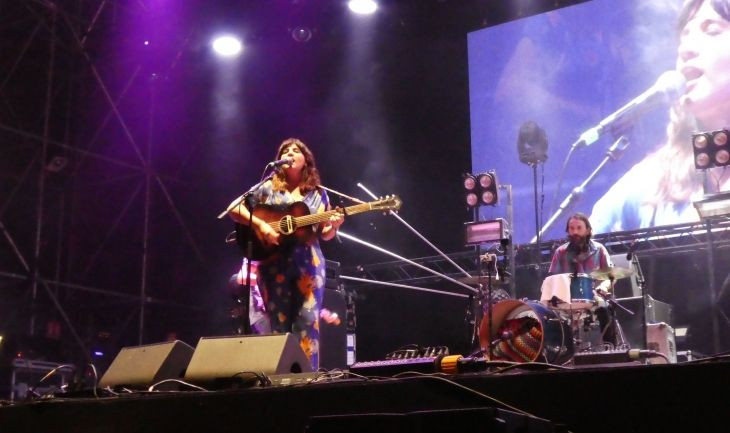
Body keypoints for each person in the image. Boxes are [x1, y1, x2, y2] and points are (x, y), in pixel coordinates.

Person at [591, 0, 730, 233]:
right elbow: (582, 253)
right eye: (684, 36)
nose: (686, 49)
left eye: (712, 30)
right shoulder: (654, 180)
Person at [226, 138, 344, 370]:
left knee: (308, 322)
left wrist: (336, 224)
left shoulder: (318, 194)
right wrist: (262, 226)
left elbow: (325, 233)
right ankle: (281, 383)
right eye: (285, 151)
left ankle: (306, 381)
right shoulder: (267, 187)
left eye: (295, 150)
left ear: (305, 160)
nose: (289, 153)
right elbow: (233, 209)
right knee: (279, 327)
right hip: (273, 266)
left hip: (309, 266)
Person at [548, 213, 616, 344]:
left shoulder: (599, 249)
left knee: (605, 308)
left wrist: (603, 287)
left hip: (593, 296)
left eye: (579, 228)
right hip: (566, 298)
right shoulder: (560, 252)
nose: (575, 232)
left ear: (588, 230)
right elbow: (552, 280)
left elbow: (610, 276)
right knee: (547, 314)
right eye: (571, 228)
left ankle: (611, 348)